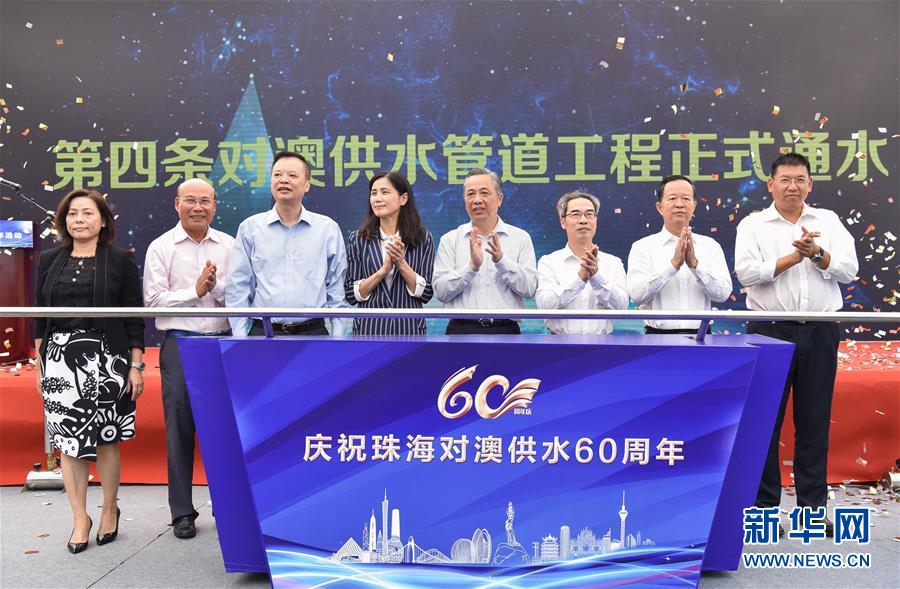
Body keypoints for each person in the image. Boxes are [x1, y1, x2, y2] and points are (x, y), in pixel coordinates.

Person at [735, 152, 858, 535]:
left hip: (820, 331)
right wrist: (793, 257)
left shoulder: (827, 221)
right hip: (769, 330)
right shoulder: (754, 225)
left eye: (800, 179)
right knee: (765, 424)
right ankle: (765, 509)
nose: (793, 187)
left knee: (814, 422)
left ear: (810, 184)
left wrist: (818, 254)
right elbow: (746, 274)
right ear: (770, 185)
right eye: (785, 180)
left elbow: (849, 270)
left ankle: (812, 511)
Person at [34, 189, 144, 553]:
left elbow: (134, 316)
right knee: (69, 443)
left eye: (87, 213)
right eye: (72, 214)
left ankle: (109, 508)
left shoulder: (120, 259)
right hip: (59, 360)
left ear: (103, 220)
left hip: (109, 357)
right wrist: (41, 365)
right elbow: (39, 317)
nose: (79, 219)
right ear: (63, 221)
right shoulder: (49, 259)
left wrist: (135, 365)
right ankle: (80, 517)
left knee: (106, 438)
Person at [143, 178, 233, 539]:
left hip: (223, 344)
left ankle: (228, 507)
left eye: (205, 201)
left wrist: (216, 287)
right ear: (176, 204)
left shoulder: (230, 245)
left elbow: (241, 294)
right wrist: (194, 292)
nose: (198, 207)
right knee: (179, 429)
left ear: (215, 206)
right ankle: (182, 512)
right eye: (190, 200)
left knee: (225, 429)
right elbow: (153, 301)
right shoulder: (161, 247)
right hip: (180, 344)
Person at [227, 151, 349, 336]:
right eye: (277, 175)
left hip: (313, 333)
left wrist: (337, 337)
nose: (283, 180)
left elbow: (336, 287)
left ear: (307, 185)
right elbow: (238, 286)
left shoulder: (327, 229)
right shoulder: (250, 228)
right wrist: (240, 337)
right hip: (264, 333)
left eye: (292, 175)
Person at [433, 167, 538, 334]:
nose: (477, 200)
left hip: (505, 330)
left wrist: (502, 261)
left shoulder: (520, 238)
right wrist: (471, 267)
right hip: (461, 330)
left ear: (499, 198)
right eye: (470, 194)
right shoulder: (450, 240)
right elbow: (440, 292)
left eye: (484, 193)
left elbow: (529, 289)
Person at [627, 175, 732, 334]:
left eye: (686, 198)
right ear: (659, 207)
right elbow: (637, 295)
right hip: (657, 336)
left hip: (702, 337)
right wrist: (672, 266)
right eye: (672, 198)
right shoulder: (642, 247)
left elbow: (722, 294)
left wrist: (695, 266)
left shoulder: (710, 246)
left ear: (694, 206)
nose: (679, 204)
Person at [344, 171, 434, 335]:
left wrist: (401, 264)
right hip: (369, 331)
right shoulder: (358, 239)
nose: (377, 199)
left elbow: (427, 293)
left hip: (409, 330)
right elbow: (351, 294)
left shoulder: (422, 238)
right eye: (373, 193)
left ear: (403, 199)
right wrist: (383, 271)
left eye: (384, 192)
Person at [536, 190, 628, 334]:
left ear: (596, 221)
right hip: (558, 343)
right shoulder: (548, 262)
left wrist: (596, 276)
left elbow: (621, 307)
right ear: (563, 222)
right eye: (576, 214)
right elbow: (545, 306)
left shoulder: (613, 263)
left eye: (589, 214)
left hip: (602, 343)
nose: (583, 220)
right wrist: (580, 279)